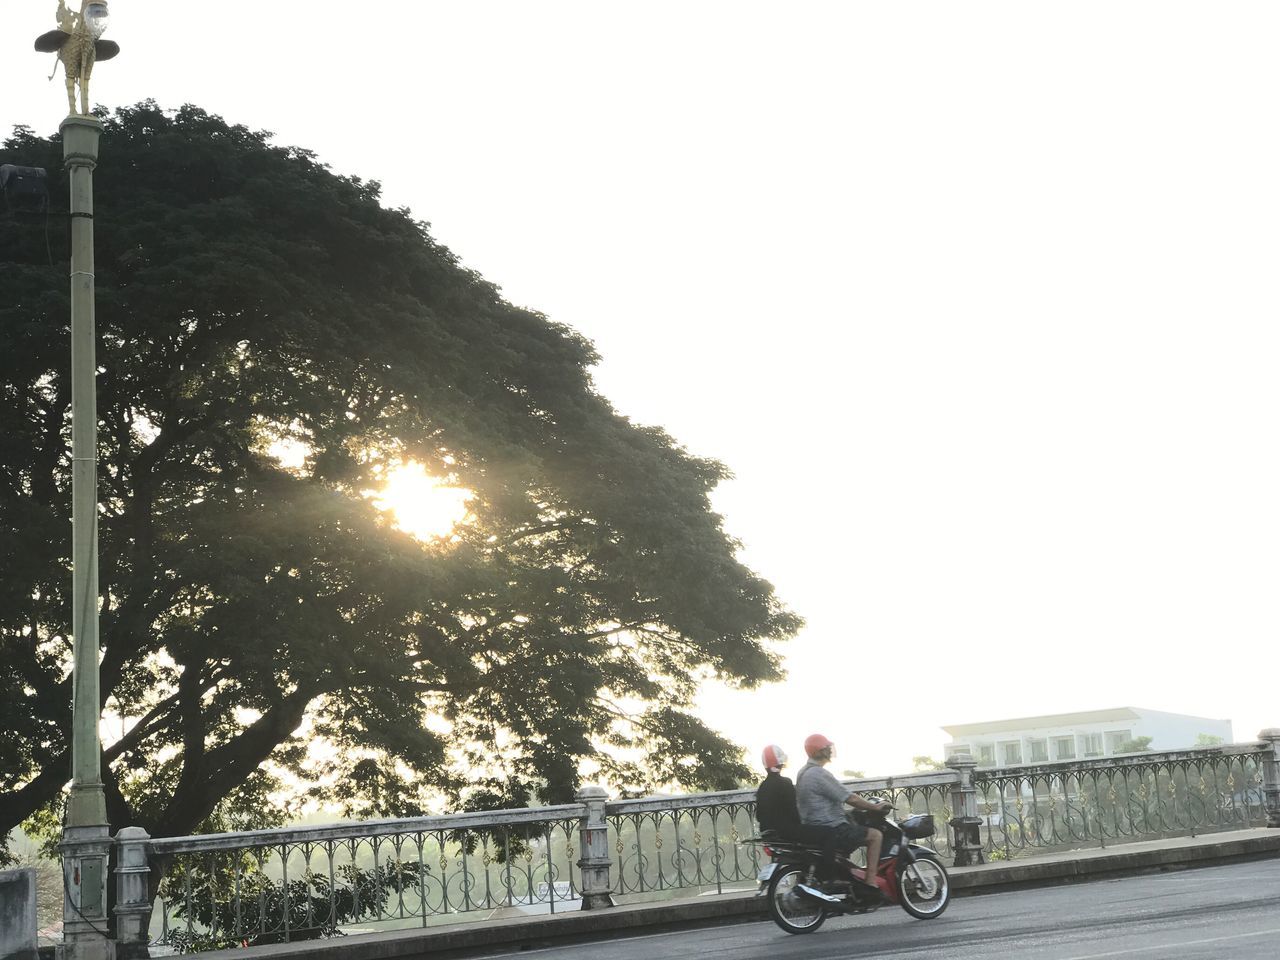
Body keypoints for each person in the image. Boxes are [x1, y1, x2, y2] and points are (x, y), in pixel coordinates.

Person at [795, 733, 892, 896]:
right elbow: (850, 798)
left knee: (855, 820)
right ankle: (870, 883)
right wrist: (874, 808)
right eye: (827, 748)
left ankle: (851, 876)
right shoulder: (819, 774)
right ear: (820, 751)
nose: (830, 751)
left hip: (814, 826)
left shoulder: (803, 772)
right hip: (832, 828)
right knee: (875, 836)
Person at [755, 744, 802, 839]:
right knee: (828, 834)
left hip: (767, 835)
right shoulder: (786, 783)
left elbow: (759, 816)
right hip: (787, 834)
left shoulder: (763, 786)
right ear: (781, 764)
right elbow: (794, 812)